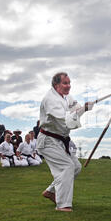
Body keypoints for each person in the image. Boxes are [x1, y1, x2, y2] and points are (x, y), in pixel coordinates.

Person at [37, 72, 94, 212]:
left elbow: (76, 110)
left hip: (61, 140)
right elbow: (66, 120)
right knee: (67, 167)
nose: (68, 86)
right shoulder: (50, 99)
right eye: (65, 83)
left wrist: (84, 108)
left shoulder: (67, 97)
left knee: (75, 167)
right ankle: (63, 205)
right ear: (56, 85)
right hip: (48, 140)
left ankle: (51, 191)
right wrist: (81, 110)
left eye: (69, 83)